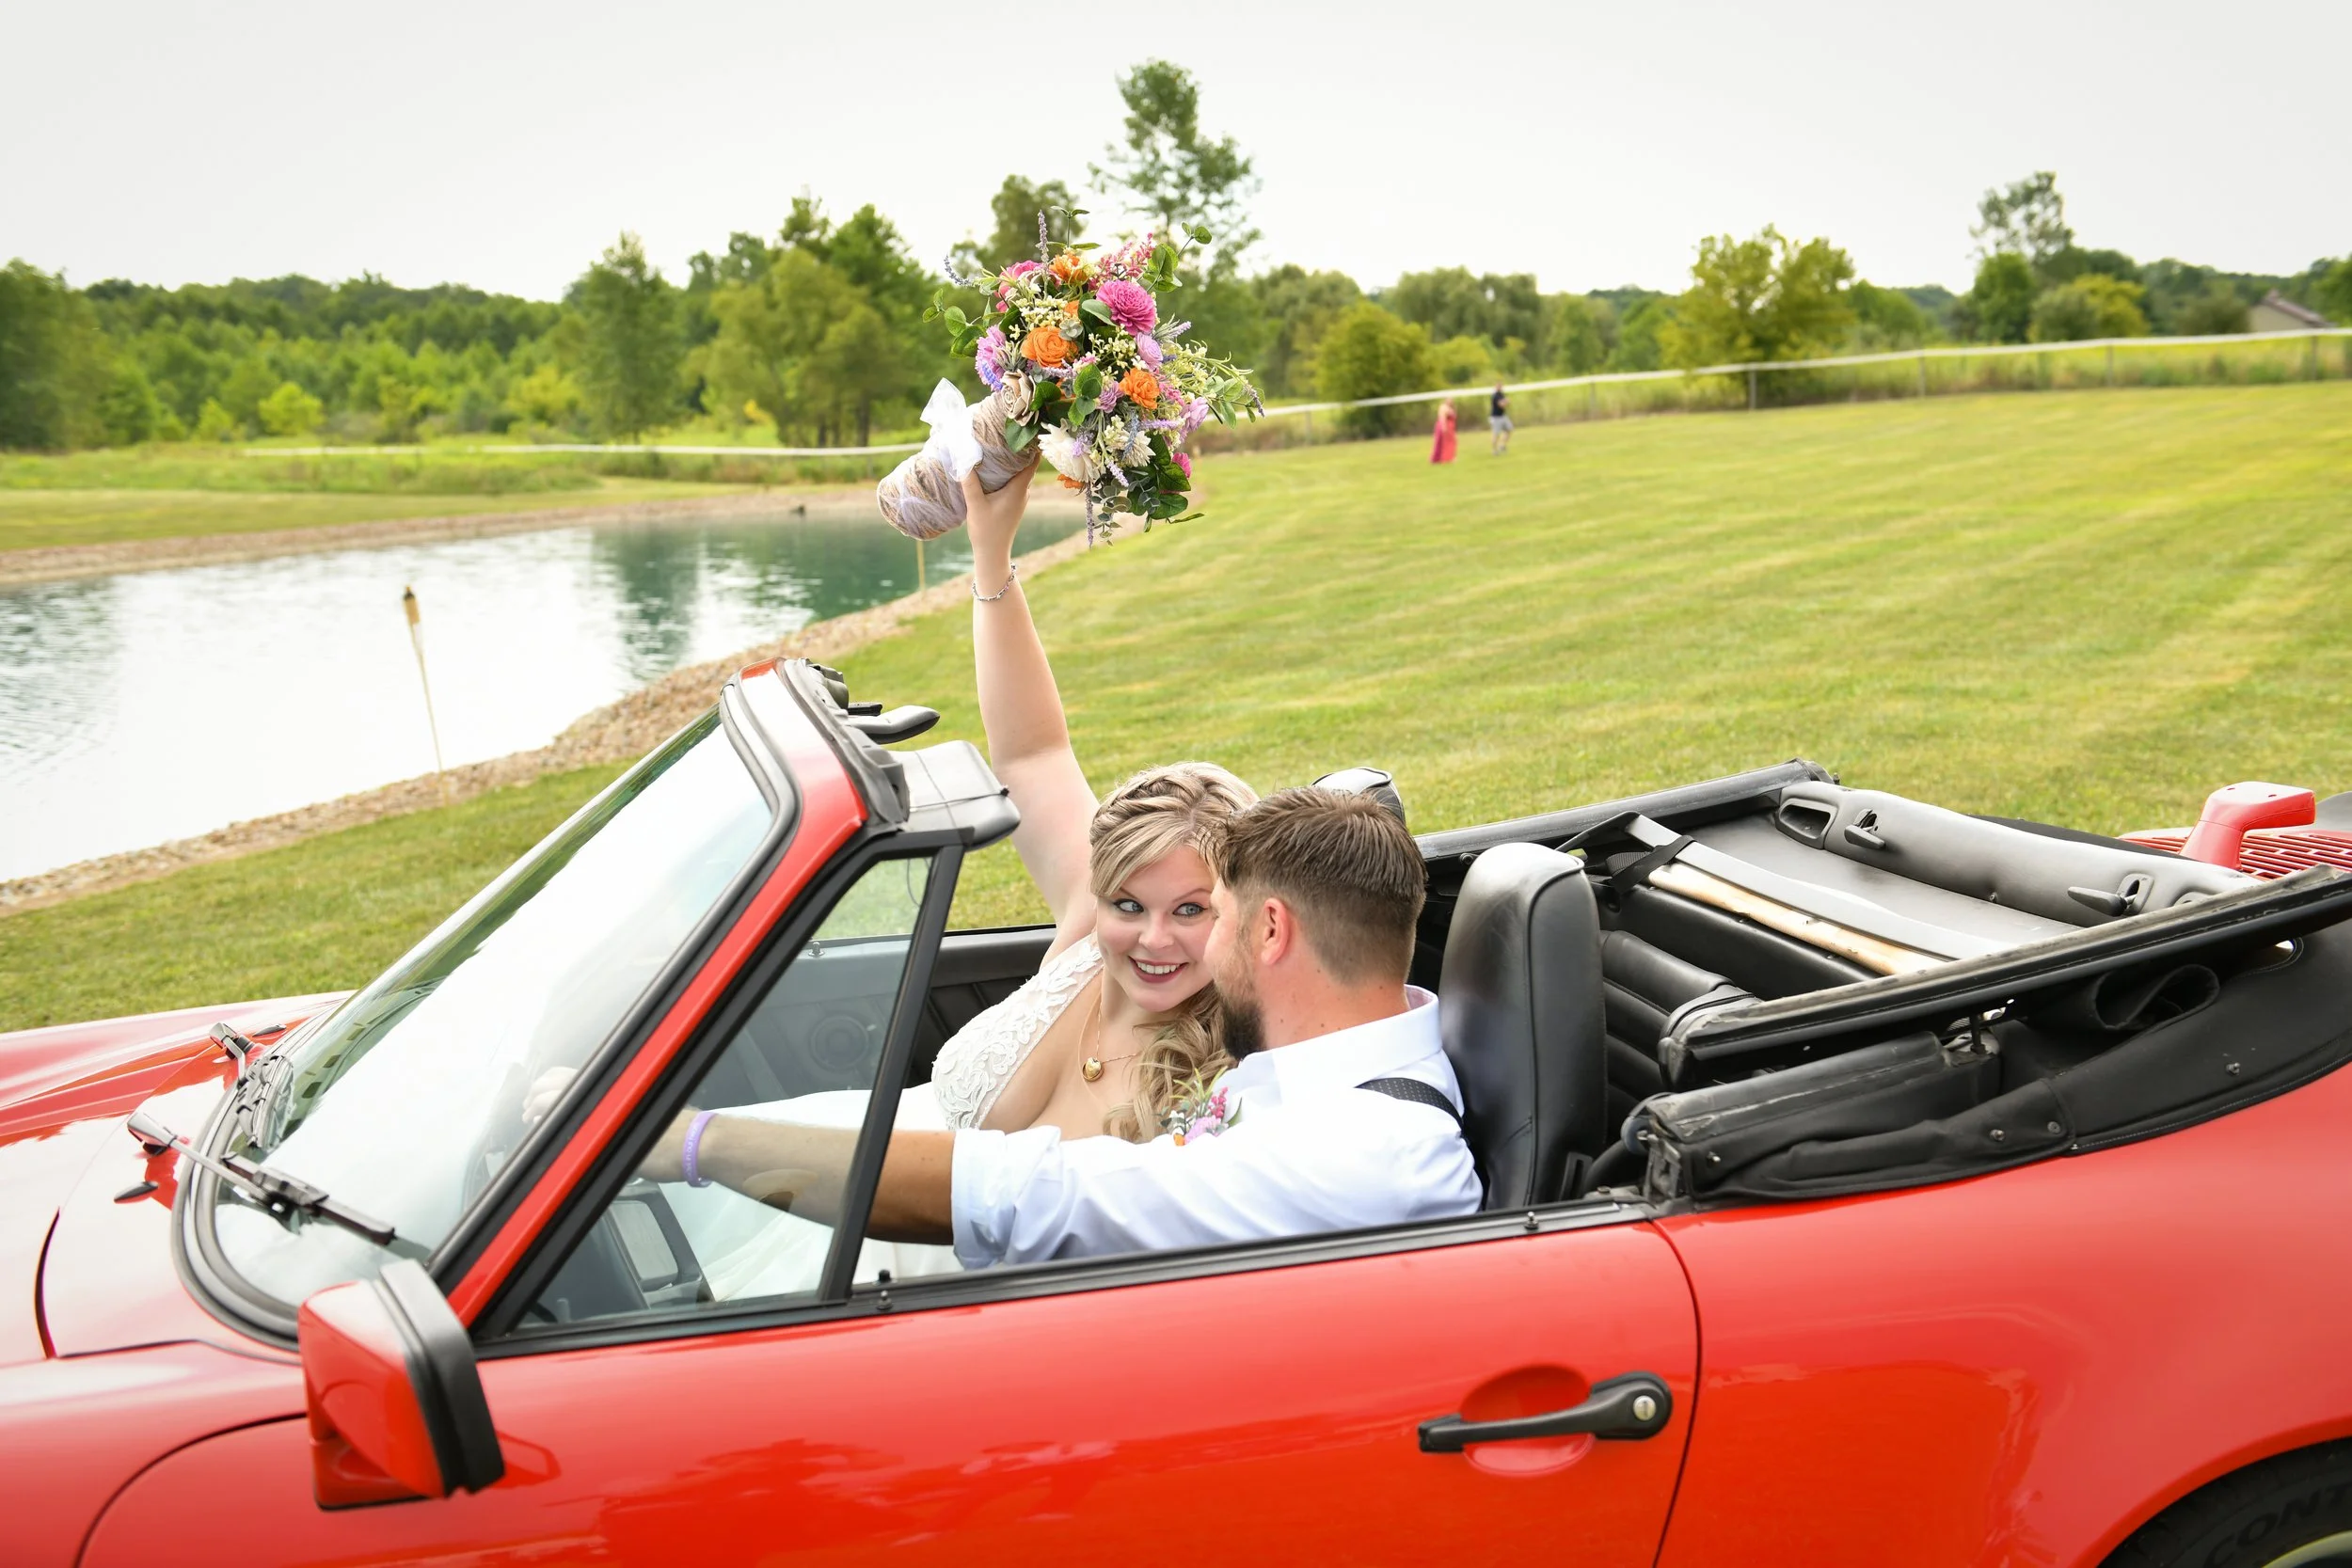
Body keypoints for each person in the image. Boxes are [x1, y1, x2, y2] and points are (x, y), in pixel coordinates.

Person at [643, 787, 1482, 1267]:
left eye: (1210, 916)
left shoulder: (1362, 1151)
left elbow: (1027, 1196)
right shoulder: (1340, 1051)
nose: (1188, 946)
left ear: (1269, 932)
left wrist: (697, 1142)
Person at [1430, 399, 1458, 464]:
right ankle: (1446, 458)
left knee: (1452, 442)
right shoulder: (1443, 407)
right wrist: (1444, 427)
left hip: (1450, 428)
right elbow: (1442, 417)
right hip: (1444, 427)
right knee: (1444, 442)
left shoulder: (1451, 408)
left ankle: (1449, 457)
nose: (1450, 401)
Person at [1489, 383, 1513, 454]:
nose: (1500, 387)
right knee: (1496, 434)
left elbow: (1504, 403)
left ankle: (1501, 445)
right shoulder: (1495, 396)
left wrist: (1505, 401)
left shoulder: (1501, 394)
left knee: (1509, 429)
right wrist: (1506, 401)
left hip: (1503, 416)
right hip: (1496, 417)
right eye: (1498, 386)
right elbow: (1501, 405)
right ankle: (1494, 450)